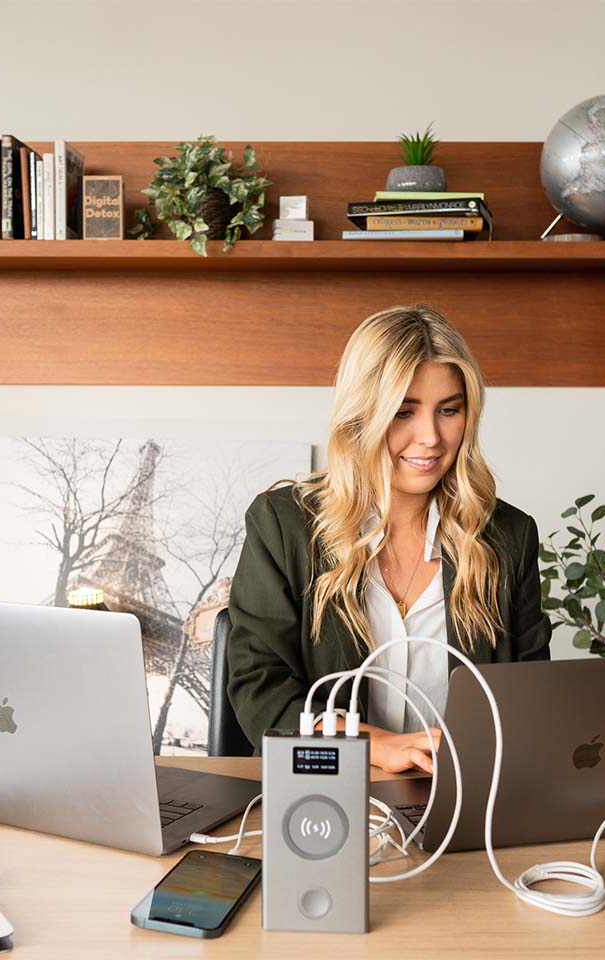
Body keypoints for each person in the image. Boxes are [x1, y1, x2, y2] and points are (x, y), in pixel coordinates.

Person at [227, 304, 550, 775]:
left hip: (463, 802)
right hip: (320, 789)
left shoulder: (508, 537)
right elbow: (260, 686)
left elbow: (530, 697)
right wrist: (371, 744)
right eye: (404, 412)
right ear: (363, 415)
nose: (431, 438)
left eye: (449, 410)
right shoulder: (284, 525)